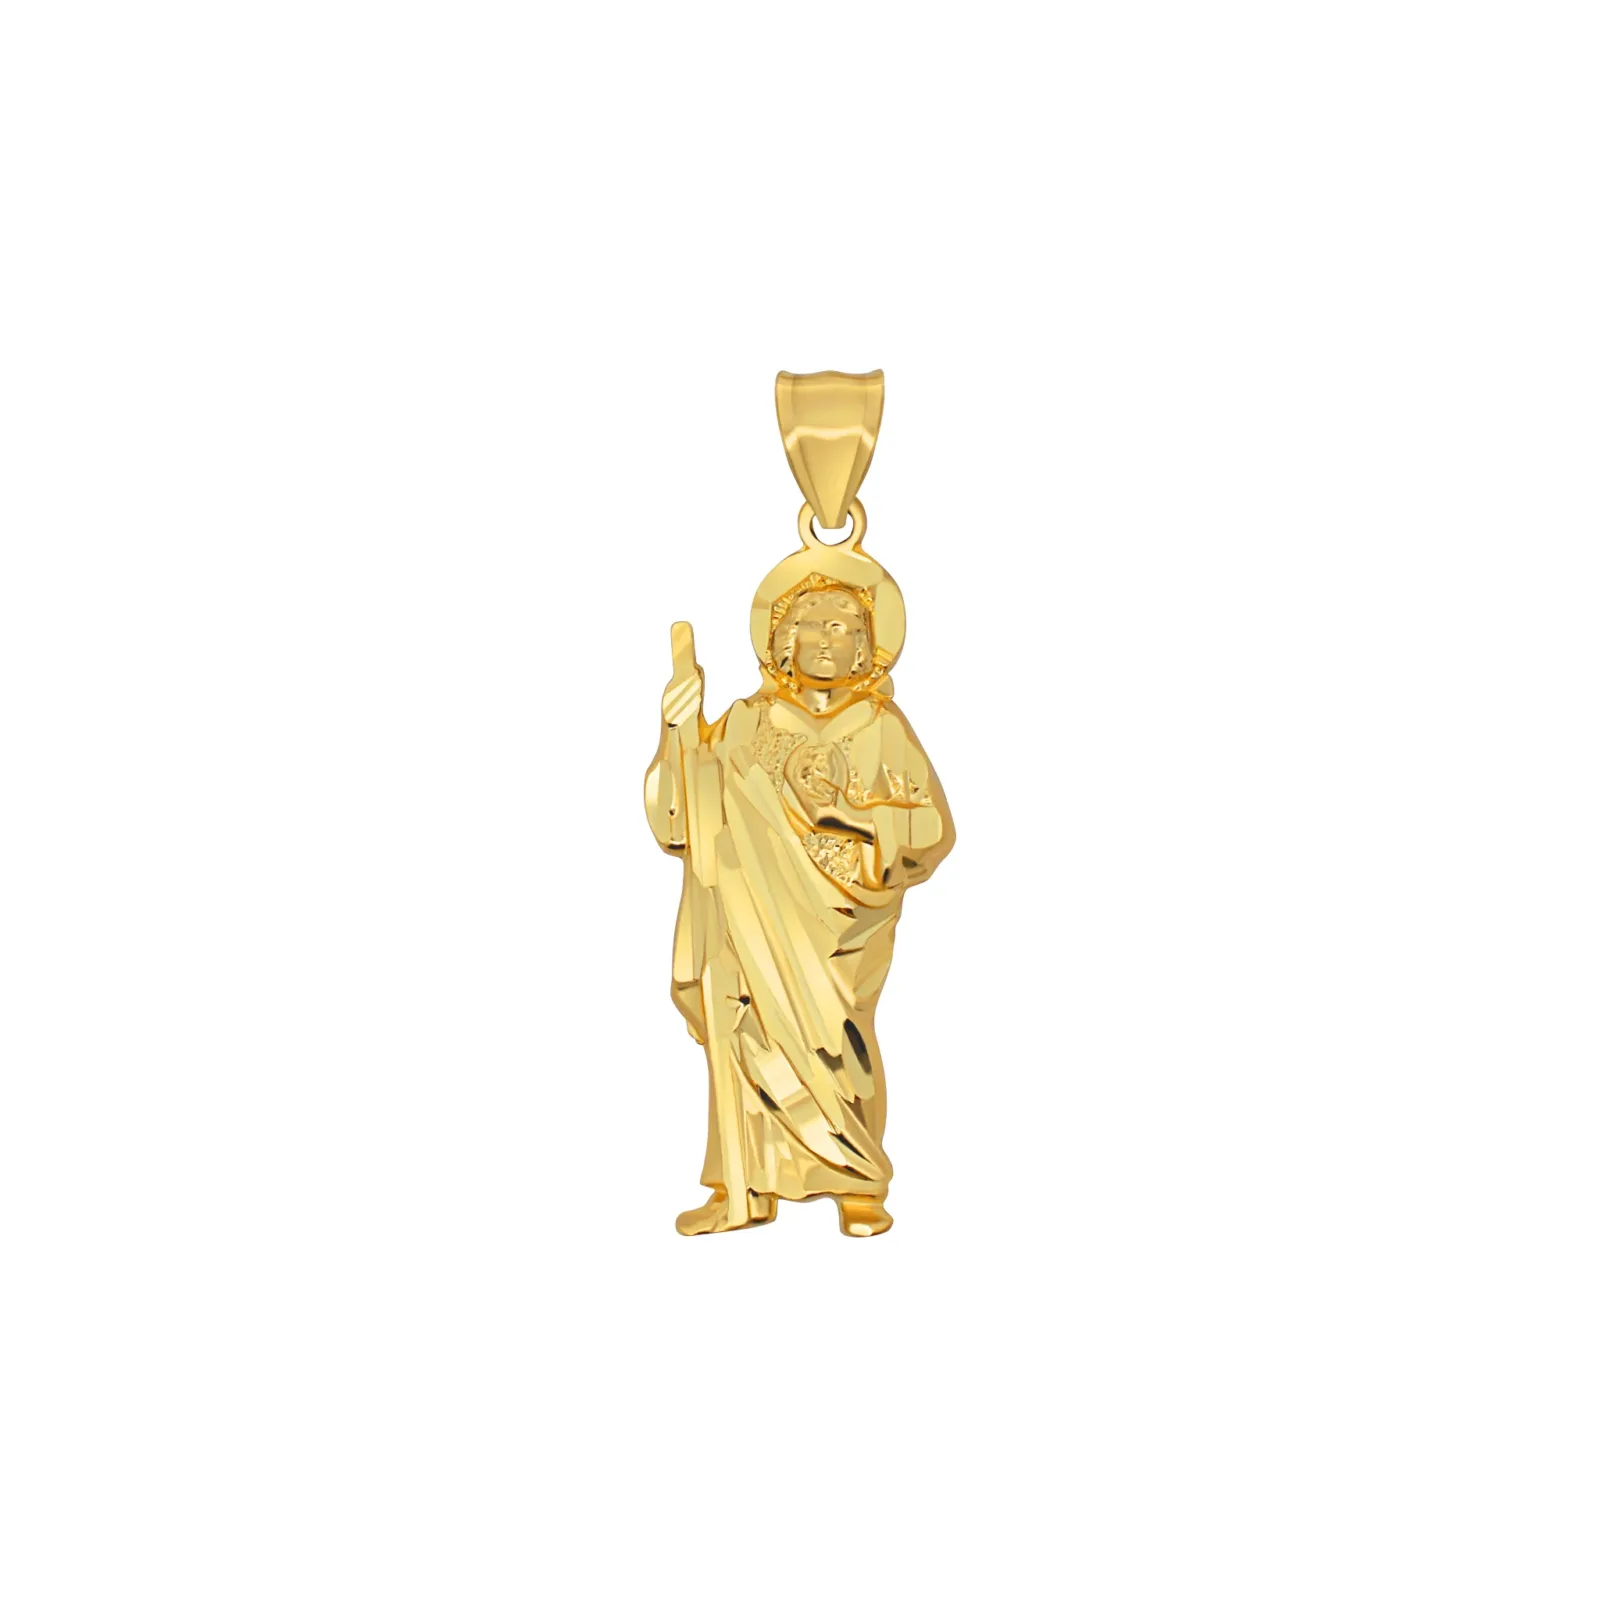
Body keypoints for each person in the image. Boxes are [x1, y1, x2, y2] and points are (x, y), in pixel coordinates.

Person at [645, 562, 954, 1236]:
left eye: (844, 627)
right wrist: (676, 731)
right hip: (748, 919)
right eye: (811, 624)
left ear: (866, 645)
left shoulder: (881, 727)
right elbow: (684, 818)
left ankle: (859, 1181)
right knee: (747, 1029)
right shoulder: (745, 723)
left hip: (843, 928)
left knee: (839, 1042)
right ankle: (744, 1187)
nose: (826, 639)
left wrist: (849, 818)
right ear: (782, 640)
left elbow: (932, 830)